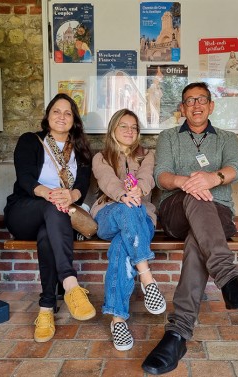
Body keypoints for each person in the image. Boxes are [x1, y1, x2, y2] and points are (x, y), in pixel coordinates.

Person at [142, 82, 238, 375]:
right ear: (182, 109)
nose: (196, 105)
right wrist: (187, 183)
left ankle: (177, 335)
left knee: (198, 237)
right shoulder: (169, 137)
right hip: (176, 210)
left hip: (218, 212)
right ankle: (229, 279)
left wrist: (213, 178)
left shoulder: (226, 138)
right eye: (189, 101)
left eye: (202, 100)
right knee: (194, 198)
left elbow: (235, 166)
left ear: (211, 106)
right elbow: (161, 176)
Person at [4, 93, 96, 343]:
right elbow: (25, 178)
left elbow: (82, 185)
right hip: (24, 211)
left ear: (74, 119)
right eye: (56, 111)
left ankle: (46, 308)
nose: (62, 117)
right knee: (53, 209)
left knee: (47, 235)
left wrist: (71, 195)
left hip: (56, 219)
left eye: (68, 113)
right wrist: (53, 195)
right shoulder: (30, 141)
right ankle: (70, 283)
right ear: (47, 115)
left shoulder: (81, 149)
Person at [90, 109, 166, 351]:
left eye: (134, 127)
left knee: (121, 246)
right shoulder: (101, 157)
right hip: (109, 214)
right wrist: (123, 195)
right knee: (125, 209)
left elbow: (147, 178)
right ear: (113, 128)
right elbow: (107, 181)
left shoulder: (147, 156)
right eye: (124, 126)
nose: (129, 130)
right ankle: (147, 277)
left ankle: (118, 319)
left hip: (141, 217)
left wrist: (138, 192)